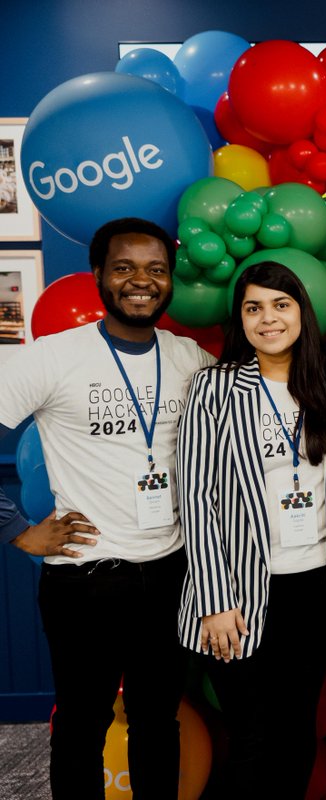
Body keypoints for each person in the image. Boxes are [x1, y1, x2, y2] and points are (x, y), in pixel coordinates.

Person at [0, 217, 213, 797]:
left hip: (171, 573)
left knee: (156, 724)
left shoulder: (189, 356)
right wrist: (18, 529)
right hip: (83, 580)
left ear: (169, 281)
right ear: (98, 275)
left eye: (155, 270)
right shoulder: (53, 357)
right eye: (124, 268)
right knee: (81, 724)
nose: (140, 281)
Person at [176, 261, 326, 798]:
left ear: (302, 313)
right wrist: (214, 600)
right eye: (253, 308)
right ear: (241, 320)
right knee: (253, 735)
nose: (267, 318)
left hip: (316, 588)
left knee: (297, 731)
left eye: (280, 305)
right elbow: (196, 497)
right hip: (241, 593)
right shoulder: (215, 388)